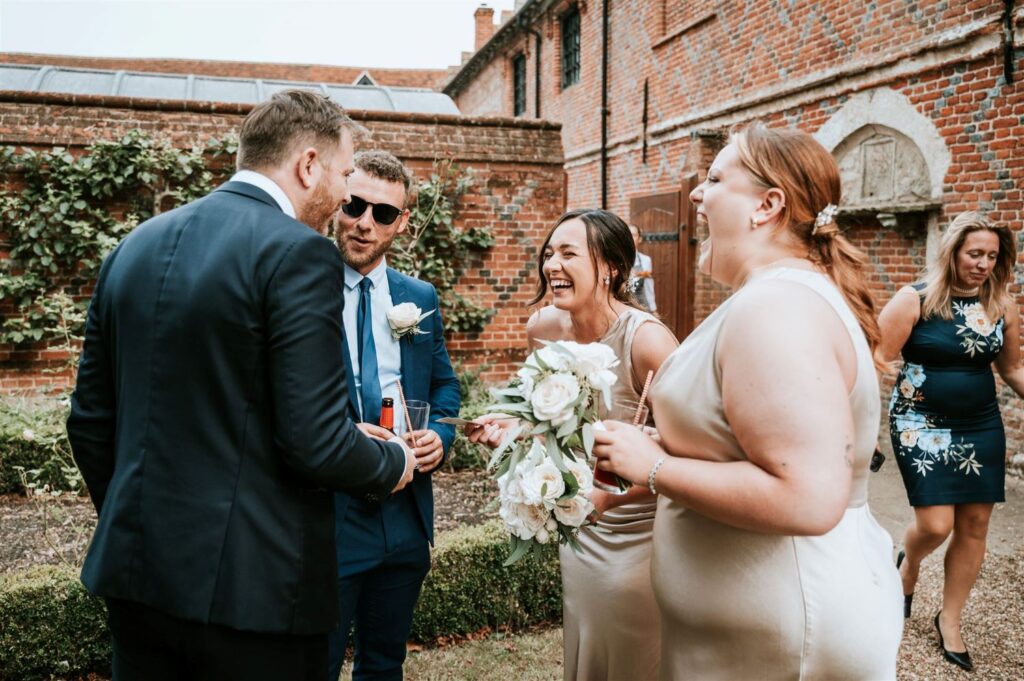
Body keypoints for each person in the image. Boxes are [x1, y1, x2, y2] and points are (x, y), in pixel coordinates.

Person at [66, 90, 416, 681]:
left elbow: (90, 421)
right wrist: (391, 461)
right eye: (342, 174)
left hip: (136, 576)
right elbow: (316, 442)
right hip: (255, 597)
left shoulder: (135, 245)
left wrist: (144, 524)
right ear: (308, 166)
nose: (341, 196)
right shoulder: (299, 253)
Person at [592, 123, 903, 680]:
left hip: (784, 636)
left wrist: (655, 466)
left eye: (714, 178)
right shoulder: (772, 297)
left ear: (767, 205)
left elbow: (807, 496)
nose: (695, 194)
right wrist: (653, 453)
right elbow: (749, 442)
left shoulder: (777, 309)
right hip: (750, 637)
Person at [469, 209, 678, 681]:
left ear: (611, 268)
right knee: (587, 651)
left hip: (641, 537)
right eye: (548, 253)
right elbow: (549, 424)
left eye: (568, 253)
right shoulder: (543, 329)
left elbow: (691, 454)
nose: (552, 265)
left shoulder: (648, 342)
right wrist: (509, 430)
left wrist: (610, 495)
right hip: (580, 530)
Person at [327, 151, 461, 681]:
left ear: (402, 223)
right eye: (354, 205)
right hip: (329, 515)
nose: (365, 222)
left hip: (405, 516)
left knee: (385, 664)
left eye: (383, 213)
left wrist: (439, 436)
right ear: (338, 203)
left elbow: (446, 386)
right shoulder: (300, 283)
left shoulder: (417, 297)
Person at [879, 211, 1021, 672]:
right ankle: (909, 564)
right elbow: (877, 359)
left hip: (980, 423)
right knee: (937, 524)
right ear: (953, 252)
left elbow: (1013, 368)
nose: (982, 264)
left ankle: (950, 619)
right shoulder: (914, 299)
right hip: (919, 422)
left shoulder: (1001, 304)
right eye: (974, 253)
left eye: (991, 256)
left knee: (975, 524)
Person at [628, 224, 657, 313]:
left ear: (639, 239)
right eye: (627, 234)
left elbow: (648, 286)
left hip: (641, 307)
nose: (629, 238)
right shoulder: (617, 260)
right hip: (624, 306)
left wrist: (653, 309)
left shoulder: (645, 260)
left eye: (633, 235)